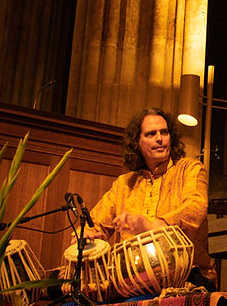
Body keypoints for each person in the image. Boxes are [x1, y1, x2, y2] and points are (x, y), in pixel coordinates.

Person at [82, 106, 217, 290]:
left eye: (164, 132)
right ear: (137, 143)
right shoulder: (124, 184)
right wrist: (87, 236)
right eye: (151, 134)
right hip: (133, 278)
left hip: (187, 275)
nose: (160, 138)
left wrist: (152, 226)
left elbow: (195, 208)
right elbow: (94, 224)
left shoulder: (191, 169)